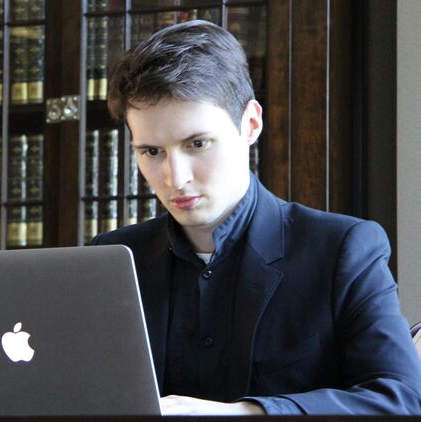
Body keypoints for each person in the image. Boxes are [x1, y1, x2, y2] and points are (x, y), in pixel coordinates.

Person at [93, 19, 421, 415]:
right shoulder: (111, 257)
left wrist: (245, 413)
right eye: (151, 152)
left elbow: (400, 399)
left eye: (197, 143)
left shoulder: (342, 249)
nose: (174, 177)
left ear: (250, 124)